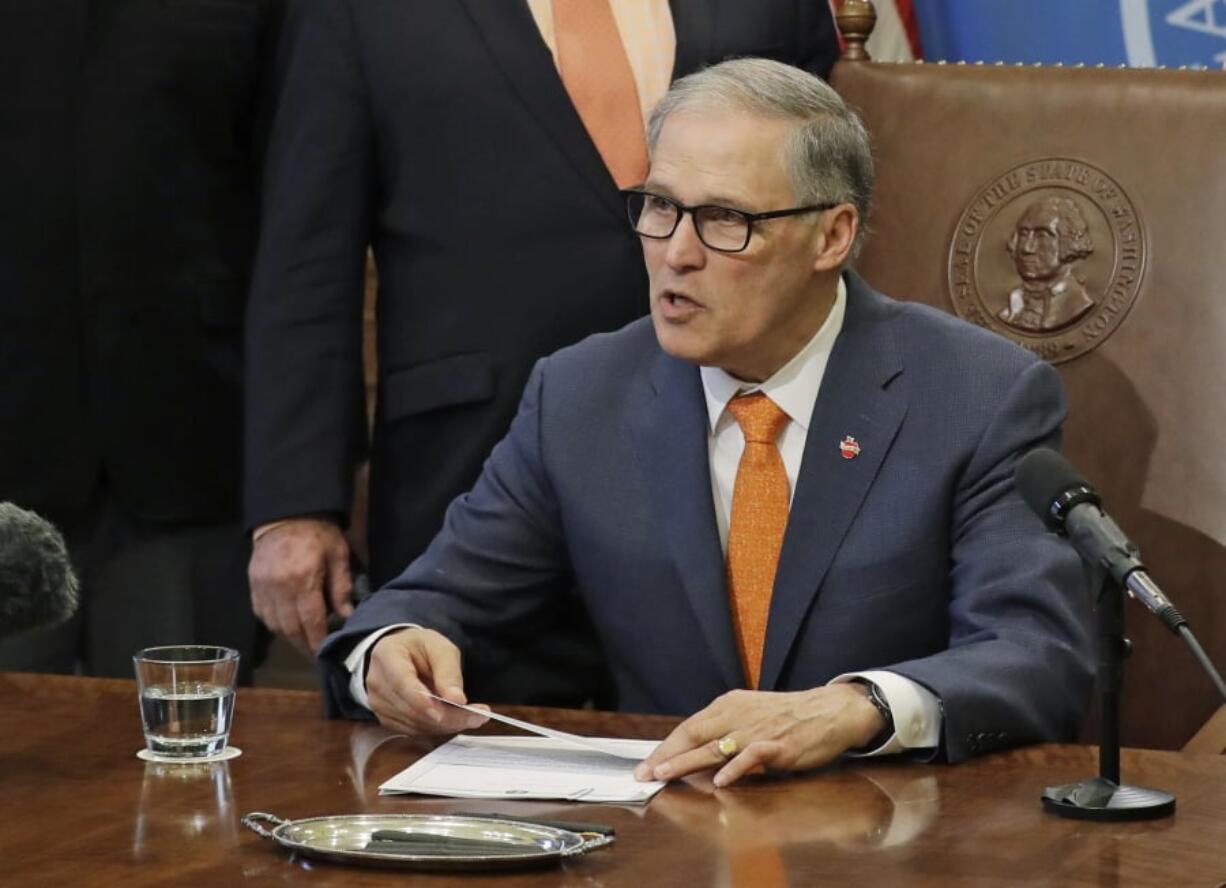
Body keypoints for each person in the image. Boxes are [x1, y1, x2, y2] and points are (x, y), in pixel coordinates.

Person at [317, 58, 1094, 786]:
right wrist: (389, 650)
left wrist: (859, 707)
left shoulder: (976, 395)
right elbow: (430, 599)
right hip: (664, 833)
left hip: (888, 832)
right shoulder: (583, 394)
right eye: (660, 207)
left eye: (725, 219)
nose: (675, 254)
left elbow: (1038, 654)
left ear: (832, 236)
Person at [245, 0, 840, 704]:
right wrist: (296, 504)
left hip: (734, 453)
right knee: (457, 758)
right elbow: (308, 257)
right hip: (466, 464)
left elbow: (819, 203)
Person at [0, 0, 283, 681]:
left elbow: (305, 219)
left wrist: (315, 475)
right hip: (11, 467)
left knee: (179, 763)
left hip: (193, 449)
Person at [998, 196, 1096, 332]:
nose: (1026, 248)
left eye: (1042, 235)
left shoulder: (1078, 304)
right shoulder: (1009, 307)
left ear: (1068, 241)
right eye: (1024, 234)